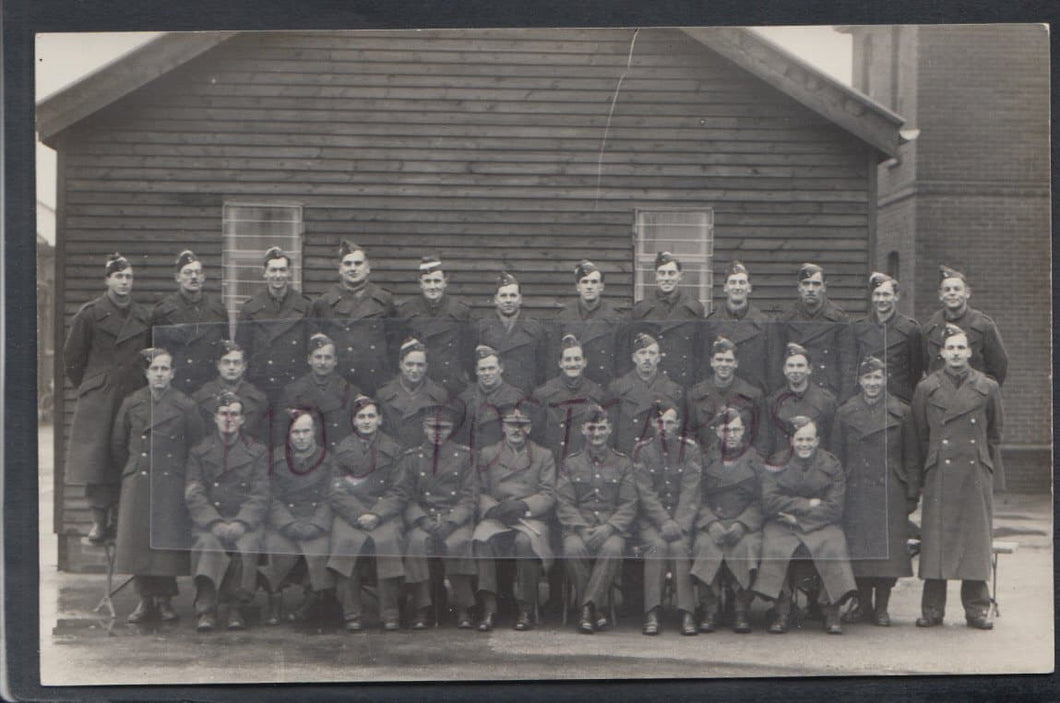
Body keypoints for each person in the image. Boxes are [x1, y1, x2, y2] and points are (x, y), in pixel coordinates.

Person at [911, 323, 1004, 630]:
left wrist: (983, 463)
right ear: (941, 352)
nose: (955, 353)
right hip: (941, 470)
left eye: (961, 348)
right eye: (950, 348)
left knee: (974, 540)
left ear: (970, 352)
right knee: (937, 539)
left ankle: (976, 609)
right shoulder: (926, 388)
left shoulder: (987, 386)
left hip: (974, 471)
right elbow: (920, 434)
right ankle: (932, 609)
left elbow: (994, 433)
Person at [63, 252, 152, 542]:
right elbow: (72, 358)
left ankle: (125, 522)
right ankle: (100, 521)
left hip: (132, 393)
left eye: (129, 277)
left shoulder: (142, 316)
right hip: (102, 398)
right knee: (98, 459)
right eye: (119, 276)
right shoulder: (90, 314)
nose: (125, 282)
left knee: (127, 453)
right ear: (108, 280)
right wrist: (93, 385)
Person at [111, 348, 204, 623]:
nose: (160, 374)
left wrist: (182, 476)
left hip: (170, 481)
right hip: (139, 479)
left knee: (166, 542)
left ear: (173, 373)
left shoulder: (185, 405)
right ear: (146, 373)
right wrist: (132, 471)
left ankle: (164, 601)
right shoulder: (132, 402)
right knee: (139, 542)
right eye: (155, 369)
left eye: (165, 369)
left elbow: (196, 445)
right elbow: (118, 443)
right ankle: (144, 600)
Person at [832, 356, 920, 627]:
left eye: (877, 378)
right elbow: (836, 458)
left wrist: (911, 493)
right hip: (856, 488)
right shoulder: (845, 412)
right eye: (867, 378)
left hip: (889, 490)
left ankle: (882, 607)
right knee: (860, 551)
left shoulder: (901, 412)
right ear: (860, 381)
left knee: (887, 554)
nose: (872, 383)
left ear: (885, 380)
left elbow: (912, 456)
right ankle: (864, 606)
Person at [754, 416, 856, 635]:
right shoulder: (776, 462)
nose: (804, 444)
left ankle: (831, 610)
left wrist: (799, 518)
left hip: (820, 523)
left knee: (834, 545)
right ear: (791, 440)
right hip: (783, 523)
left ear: (817, 440)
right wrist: (805, 503)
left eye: (809, 439)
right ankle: (781, 609)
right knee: (773, 546)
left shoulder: (831, 464)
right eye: (800, 439)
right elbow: (769, 501)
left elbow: (835, 506)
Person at [185, 392, 269, 632]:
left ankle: (236, 607)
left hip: (243, 520)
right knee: (207, 543)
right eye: (223, 414)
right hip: (211, 520)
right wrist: (214, 522)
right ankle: (206, 608)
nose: (229, 419)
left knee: (246, 544)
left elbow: (261, 492)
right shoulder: (199, 451)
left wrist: (242, 522)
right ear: (215, 418)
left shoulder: (257, 451)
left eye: (234, 414)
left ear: (242, 419)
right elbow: (194, 492)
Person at [326, 395, 409, 631]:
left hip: (384, 513)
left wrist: (377, 515)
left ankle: (390, 612)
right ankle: (351, 613)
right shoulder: (342, 450)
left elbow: (399, 490)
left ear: (380, 419)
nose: (366, 421)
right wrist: (358, 514)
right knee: (346, 541)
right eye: (361, 417)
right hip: (352, 513)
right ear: (353, 421)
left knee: (388, 541)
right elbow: (337, 491)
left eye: (371, 416)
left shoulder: (394, 449)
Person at [472, 405, 557, 632]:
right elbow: (478, 490)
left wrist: (524, 506)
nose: (516, 430)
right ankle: (489, 608)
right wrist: (493, 509)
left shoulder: (543, 455)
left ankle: (525, 608)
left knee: (525, 542)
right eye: (512, 425)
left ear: (529, 428)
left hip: (529, 518)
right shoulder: (488, 454)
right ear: (503, 427)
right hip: (498, 515)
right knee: (483, 540)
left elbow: (549, 493)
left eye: (522, 425)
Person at [556, 405, 638, 634]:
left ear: (609, 429)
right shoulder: (570, 463)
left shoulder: (623, 463)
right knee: (572, 549)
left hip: (611, 530)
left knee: (612, 549)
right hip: (579, 529)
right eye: (592, 428)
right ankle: (596, 609)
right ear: (583, 429)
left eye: (601, 428)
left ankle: (587, 607)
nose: (597, 433)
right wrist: (581, 529)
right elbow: (564, 502)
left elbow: (629, 503)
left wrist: (609, 527)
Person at [402, 403, 477, 630]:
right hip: (424, 517)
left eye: (443, 428)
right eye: (432, 427)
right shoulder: (412, 458)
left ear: (451, 429)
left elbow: (470, 496)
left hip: (454, 518)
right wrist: (422, 520)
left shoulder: (464, 457)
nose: (437, 432)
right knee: (416, 542)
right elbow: (406, 497)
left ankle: (464, 607)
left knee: (459, 542)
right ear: (424, 428)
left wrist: (452, 521)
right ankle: (422, 607)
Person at [258, 409, 336, 626]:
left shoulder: (327, 459)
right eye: (296, 432)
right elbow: (271, 496)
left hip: (314, 521)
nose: (301, 437)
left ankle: (313, 600)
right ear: (288, 434)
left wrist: (316, 524)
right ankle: (275, 599)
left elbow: (330, 497)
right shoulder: (276, 458)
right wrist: (287, 524)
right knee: (275, 546)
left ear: (314, 433)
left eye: (306, 431)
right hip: (285, 521)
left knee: (321, 548)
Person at [691, 409, 765, 634]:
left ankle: (740, 607)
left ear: (743, 431)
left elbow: (763, 500)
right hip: (713, 521)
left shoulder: (756, 461)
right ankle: (710, 608)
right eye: (726, 430)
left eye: (735, 429)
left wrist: (742, 524)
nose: (731, 434)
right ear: (717, 432)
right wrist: (710, 522)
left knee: (746, 547)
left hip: (744, 523)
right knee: (705, 546)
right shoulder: (705, 459)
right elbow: (697, 497)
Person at [632, 401, 701, 637]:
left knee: (681, 547)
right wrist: (664, 522)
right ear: (652, 424)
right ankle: (652, 611)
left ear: (678, 425)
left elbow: (691, 492)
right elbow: (645, 494)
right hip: (653, 522)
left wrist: (678, 524)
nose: (664, 427)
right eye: (659, 422)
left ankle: (687, 612)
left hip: (681, 519)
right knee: (656, 547)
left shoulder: (690, 450)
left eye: (669, 422)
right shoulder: (642, 451)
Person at [310, 240, 396, 396]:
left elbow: (394, 344)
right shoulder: (324, 303)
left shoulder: (384, 300)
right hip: (338, 383)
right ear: (340, 269)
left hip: (375, 382)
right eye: (348, 264)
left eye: (358, 263)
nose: (353, 268)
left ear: (367, 268)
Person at [235, 246, 311, 404]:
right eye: (273, 270)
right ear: (265, 273)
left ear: (289, 273)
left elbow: (310, 350)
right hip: (260, 386)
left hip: (294, 385)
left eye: (282, 270)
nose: (278, 275)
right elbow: (242, 350)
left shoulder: (304, 306)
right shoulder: (251, 308)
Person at [150, 249, 230, 395]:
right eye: (187, 272)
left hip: (209, 390)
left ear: (203, 277)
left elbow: (225, 351)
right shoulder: (163, 312)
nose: (193, 277)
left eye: (197, 272)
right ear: (177, 277)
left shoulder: (217, 310)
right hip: (176, 389)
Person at [775, 263, 855, 402]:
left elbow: (847, 364)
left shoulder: (839, 319)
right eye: (806, 284)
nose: (810, 289)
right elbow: (776, 361)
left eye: (816, 284)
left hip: (828, 393)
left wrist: (844, 400)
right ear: (799, 287)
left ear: (824, 286)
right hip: (794, 391)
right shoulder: (786, 318)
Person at [624, 251, 704, 388]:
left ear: (680, 276)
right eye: (662, 273)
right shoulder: (641, 310)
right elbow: (631, 353)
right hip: (651, 383)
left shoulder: (694, 310)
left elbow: (701, 354)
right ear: (656, 276)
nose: (666, 278)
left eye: (671, 273)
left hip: (684, 384)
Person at [395, 255, 474, 394]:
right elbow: (396, 350)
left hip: (451, 383)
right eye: (428, 281)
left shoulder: (460, 311)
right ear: (420, 283)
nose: (432, 287)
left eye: (437, 281)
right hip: (419, 383)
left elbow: (468, 351)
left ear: (445, 282)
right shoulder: (406, 311)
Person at [922, 264, 1008, 385]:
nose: (952, 293)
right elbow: (925, 365)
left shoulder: (983, 326)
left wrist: (983, 393)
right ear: (940, 295)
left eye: (957, 289)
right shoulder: (931, 328)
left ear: (967, 293)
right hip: (940, 397)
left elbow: (998, 367)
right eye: (947, 290)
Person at [528, 333, 605, 464]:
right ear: (560, 363)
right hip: (552, 460)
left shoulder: (596, 393)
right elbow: (536, 435)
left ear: (584, 362)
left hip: (583, 462)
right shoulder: (543, 394)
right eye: (568, 360)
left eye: (577, 359)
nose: (573, 364)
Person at [605, 332, 685, 455]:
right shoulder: (617, 388)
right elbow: (611, 431)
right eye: (642, 353)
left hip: (659, 457)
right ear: (634, 357)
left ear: (658, 358)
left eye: (652, 353)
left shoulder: (674, 390)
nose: (647, 358)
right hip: (627, 454)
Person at [278, 333, 358, 454]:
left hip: (340, 454)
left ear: (335, 361)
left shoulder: (350, 391)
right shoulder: (293, 392)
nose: (322, 362)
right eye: (318, 357)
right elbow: (283, 431)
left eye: (328, 357)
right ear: (309, 359)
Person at [852, 272, 924, 403]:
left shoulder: (910, 329)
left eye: (886, 294)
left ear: (896, 296)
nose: (881, 299)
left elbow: (916, 371)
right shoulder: (859, 328)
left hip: (898, 399)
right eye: (877, 294)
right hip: (867, 398)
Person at [687, 336, 767, 455]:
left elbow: (761, 437)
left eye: (729, 360)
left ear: (736, 363)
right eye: (719, 359)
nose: (724, 364)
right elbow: (689, 434)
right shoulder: (696, 394)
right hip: (706, 461)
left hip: (742, 463)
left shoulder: (753, 395)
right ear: (712, 362)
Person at [548, 260, 622, 387]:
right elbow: (552, 362)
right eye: (584, 282)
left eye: (594, 282)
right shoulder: (562, 318)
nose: (589, 286)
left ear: (601, 287)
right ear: (578, 286)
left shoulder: (615, 319)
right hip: (570, 389)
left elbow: (622, 363)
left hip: (603, 388)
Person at [704, 260, 772, 391]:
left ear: (749, 288)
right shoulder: (710, 323)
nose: (737, 287)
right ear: (725, 287)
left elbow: (772, 368)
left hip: (753, 396)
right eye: (733, 282)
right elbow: (704, 366)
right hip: (719, 394)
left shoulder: (765, 324)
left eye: (742, 282)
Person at [475, 271, 547, 394]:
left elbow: (543, 367)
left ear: (520, 299)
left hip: (525, 394)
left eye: (513, 296)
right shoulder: (482, 328)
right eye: (503, 296)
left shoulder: (535, 328)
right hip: (492, 396)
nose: (508, 300)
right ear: (495, 300)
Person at [764, 342, 838, 458]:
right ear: (784, 370)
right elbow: (768, 443)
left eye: (800, 366)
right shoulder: (774, 402)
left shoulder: (826, 401)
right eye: (791, 366)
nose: (795, 371)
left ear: (809, 369)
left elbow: (833, 444)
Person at [376, 338, 451, 449]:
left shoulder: (439, 395)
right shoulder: (383, 394)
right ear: (401, 364)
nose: (414, 370)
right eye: (409, 364)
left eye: (420, 365)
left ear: (426, 366)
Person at [191, 341, 270, 444]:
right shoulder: (201, 397)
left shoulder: (258, 398)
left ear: (244, 366)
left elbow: (263, 440)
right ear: (218, 365)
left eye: (236, 363)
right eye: (226, 362)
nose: (231, 367)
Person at [455, 345, 524, 452]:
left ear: (501, 368)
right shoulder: (465, 398)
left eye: (491, 368)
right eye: (482, 369)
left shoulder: (515, 397)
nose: (487, 373)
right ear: (476, 371)